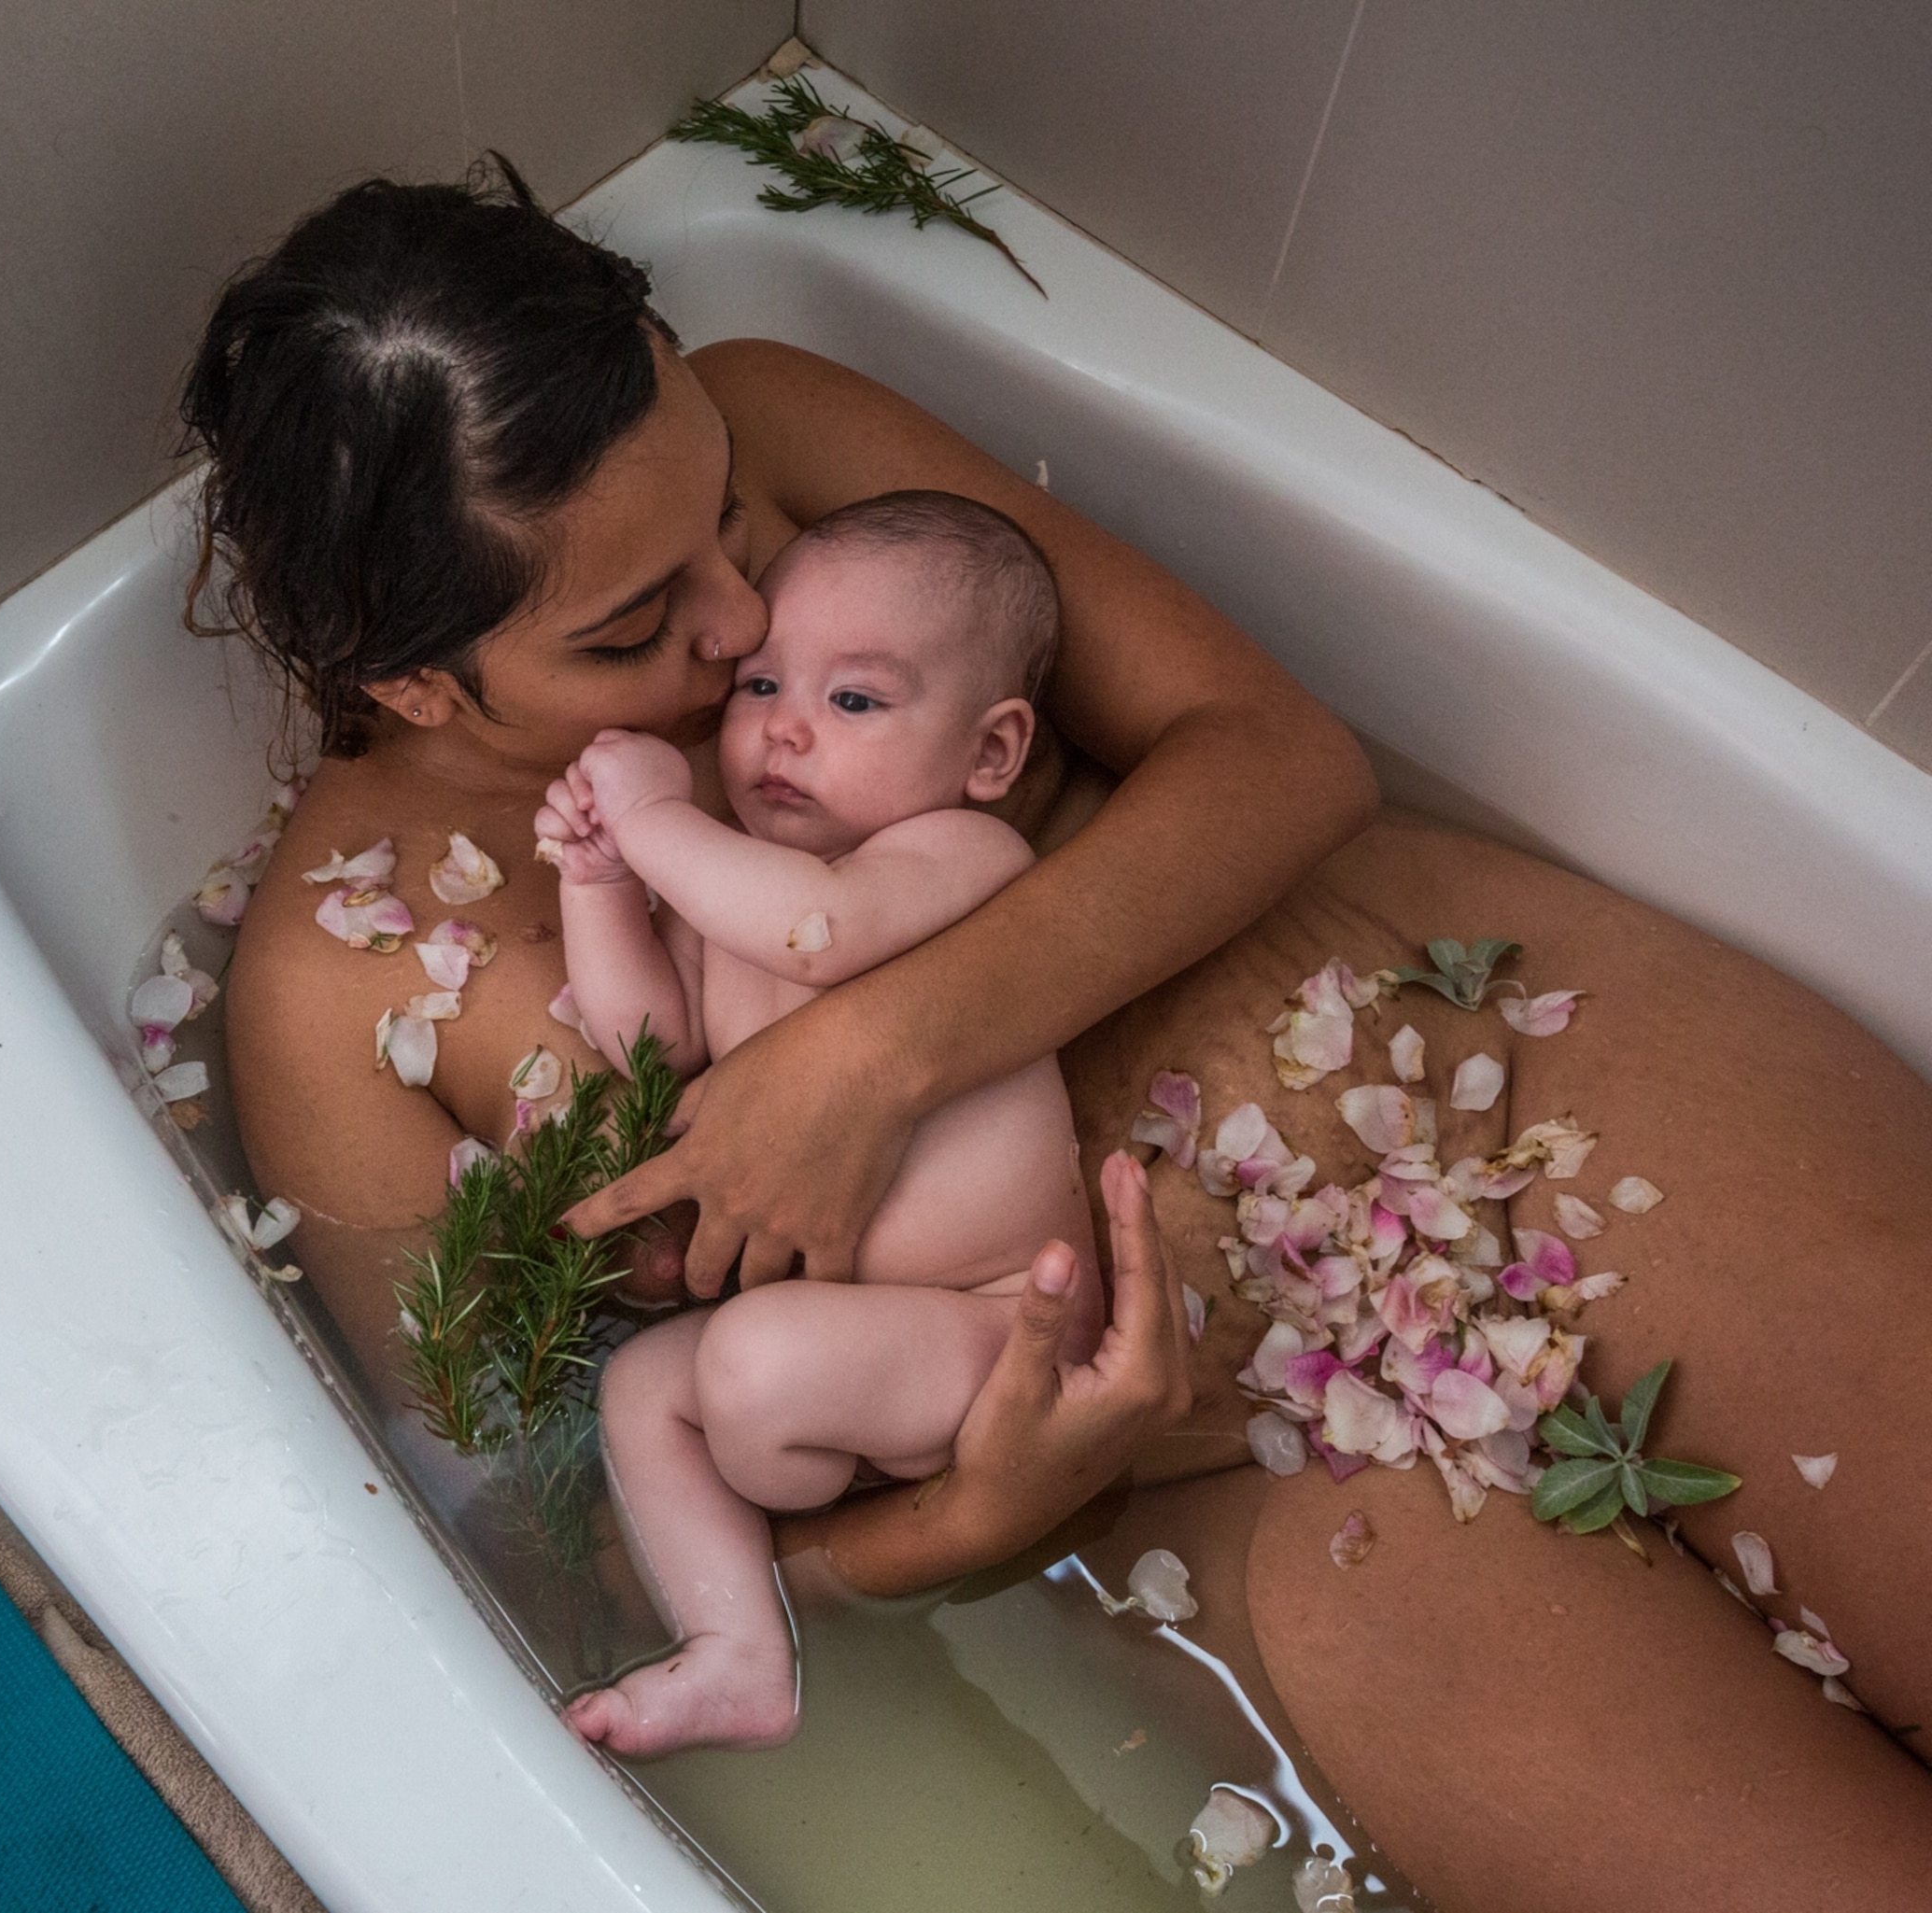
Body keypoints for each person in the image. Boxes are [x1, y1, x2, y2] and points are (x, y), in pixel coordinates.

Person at [193, 161, 1932, 1908]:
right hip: (1188, 1458)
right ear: (417, 682)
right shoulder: (333, 1005)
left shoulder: (776, 417)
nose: (735, 622)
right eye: (636, 628)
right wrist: (961, 1527)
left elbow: (1277, 753)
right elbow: (561, 1549)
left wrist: (876, 1059)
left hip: (1458, 1045)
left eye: (729, 521)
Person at [537, 492, 1100, 1753]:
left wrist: (652, 819)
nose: (785, 728)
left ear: (991, 753)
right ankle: (739, 1651)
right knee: (645, 1390)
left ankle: (780, 1487)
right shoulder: (728, 879)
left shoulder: (958, 860)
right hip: (849, 1342)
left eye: (854, 700)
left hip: (995, 1331)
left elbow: (820, 927)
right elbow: (652, 1039)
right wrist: (600, 887)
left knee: (746, 1365)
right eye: (760, 686)